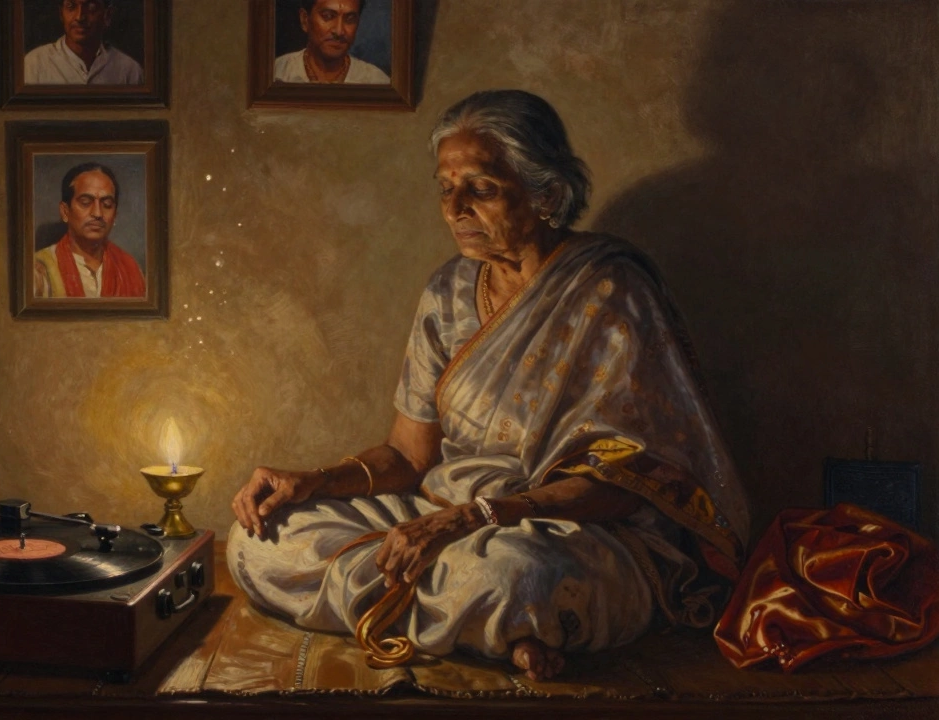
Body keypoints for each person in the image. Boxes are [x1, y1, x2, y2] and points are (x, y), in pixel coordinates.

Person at [228, 90, 750, 681]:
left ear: (546, 192)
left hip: (572, 530)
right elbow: (408, 455)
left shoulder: (611, 291)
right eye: (446, 189)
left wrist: (471, 519)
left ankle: (484, 615)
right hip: (440, 513)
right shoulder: (448, 292)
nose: (455, 209)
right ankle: (497, 631)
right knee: (259, 542)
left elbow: (628, 484)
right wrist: (311, 482)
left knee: (516, 576)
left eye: (479, 189)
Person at [34, 162, 145, 298]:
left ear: (115, 215)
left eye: (107, 204)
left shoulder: (130, 268)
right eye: (85, 202)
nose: (98, 213)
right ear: (65, 211)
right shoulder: (40, 269)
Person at [24, 0, 143, 85]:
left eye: (91, 7)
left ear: (107, 15)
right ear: (61, 14)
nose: (80, 17)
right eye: (71, 6)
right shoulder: (34, 64)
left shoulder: (130, 70)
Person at [274, 0, 390, 84]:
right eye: (328, 16)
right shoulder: (277, 73)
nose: (339, 31)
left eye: (350, 20)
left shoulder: (376, 81)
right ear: (305, 20)